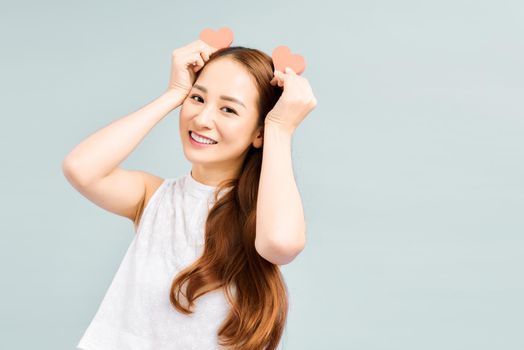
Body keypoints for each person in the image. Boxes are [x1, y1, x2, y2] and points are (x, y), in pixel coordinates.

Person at [62, 39, 317, 350]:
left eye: (228, 108)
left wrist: (280, 128)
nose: (202, 119)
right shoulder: (153, 197)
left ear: (258, 132)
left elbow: (280, 243)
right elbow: (81, 168)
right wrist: (173, 94)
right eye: (197, 98)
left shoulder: (263, 214)